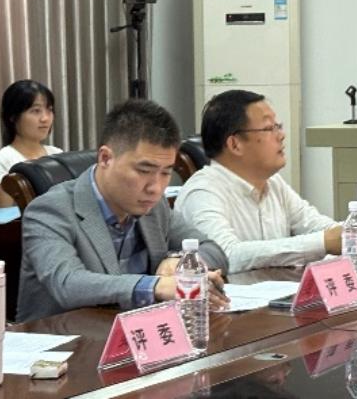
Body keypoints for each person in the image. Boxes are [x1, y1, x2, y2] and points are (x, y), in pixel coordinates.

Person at [16, 98, 229, 322]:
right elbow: (68, 283)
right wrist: (155, 285)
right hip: (68, 338)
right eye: (144, 170)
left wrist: (179, 262)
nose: (156, 187)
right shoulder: (50, 210)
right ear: (106, 158)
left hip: (141, 333)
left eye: (166, 172)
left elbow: (212, 250)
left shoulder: (154, 206)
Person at [175, 90, 357, 272]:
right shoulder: (203, 192)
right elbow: (225, 256)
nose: (281, 135)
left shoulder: (274, 183)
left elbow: (319, 228)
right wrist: (324, 242)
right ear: (235, 144)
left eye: (278, 126)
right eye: (269, 128)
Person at [0, 80, 62, 207]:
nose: (45, 118)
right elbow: (7, 215)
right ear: (13, 116)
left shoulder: (57, 154)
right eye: (36, 111)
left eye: (49, 110)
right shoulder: (3, 161)